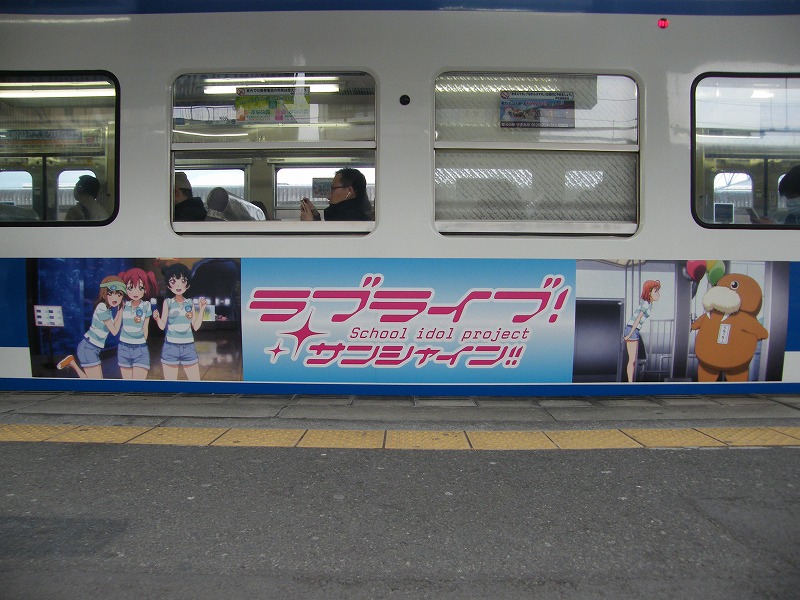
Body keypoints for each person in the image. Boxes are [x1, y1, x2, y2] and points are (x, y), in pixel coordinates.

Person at [56, 276, 125, 379]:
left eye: (119, 294)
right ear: (104, 293)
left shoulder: (107, 309)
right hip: (88, 348)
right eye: (111, 293)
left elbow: (113, 325)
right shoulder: (101, 307)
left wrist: (120, 311)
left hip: (93, 348)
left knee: (94, 382)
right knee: (96, 383)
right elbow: (114, 331)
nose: (116, 298)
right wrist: (121, 311)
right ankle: (72, 363)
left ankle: (72, 363)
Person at [152, 262, 208, 380]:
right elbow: (162, 326)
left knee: (195, 382)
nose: (178, 285)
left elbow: (195, 326)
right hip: (170, 346)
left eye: (182, 281)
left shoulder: (189, 303)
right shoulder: (168, 302)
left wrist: (202, 309)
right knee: (170, 384)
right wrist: (157, 318)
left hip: (188, 346)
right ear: (168, 285)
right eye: (173, 281)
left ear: (188, 284)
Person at [622, 279, 661, 383]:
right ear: (649, 292)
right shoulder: (646, 304)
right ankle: (630, 383)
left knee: (633, 360)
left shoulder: (648, 304)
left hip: (634, 330)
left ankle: (630, 382)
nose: (658, 294)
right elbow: (637, 319)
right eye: (656, 291)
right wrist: (629, 334)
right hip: (632, 329)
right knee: (632, 360)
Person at [300, 167, 373, 221]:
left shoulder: (350, 217)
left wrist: (309, 224)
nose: (328, 197)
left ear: (349, 191)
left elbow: (332, 237)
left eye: (333, 189)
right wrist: (315, 216)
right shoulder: (351, 213)